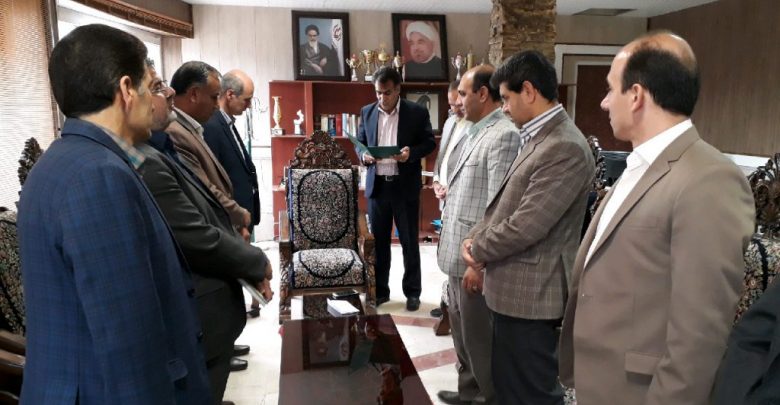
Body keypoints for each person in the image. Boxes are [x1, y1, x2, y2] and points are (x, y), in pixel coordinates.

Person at [17, 24, 211, 404]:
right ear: (126, 89)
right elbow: (129, 343)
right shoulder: (98, 176)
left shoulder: (61, 160)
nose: (158, 98)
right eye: (151, 86)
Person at [558, 31, 755, 404]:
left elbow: (699, 334)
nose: (603, 102)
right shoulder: (640, 166)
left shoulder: (709, 179)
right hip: (601, 380)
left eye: (610, 89)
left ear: (636, 96)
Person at [461, 51, 594, 405]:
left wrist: (477, 248)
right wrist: (474, 235)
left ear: (530, 91)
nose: (504, 108)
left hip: (533, 295)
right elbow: (504, 204)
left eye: (506, 98)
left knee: (531, 394)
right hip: (515, 290)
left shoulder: (565, 145)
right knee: (510, 388)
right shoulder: (538, 136)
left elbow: (526, 225)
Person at [139, 60, 273, 405]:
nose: (168, 92)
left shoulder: (183, 132)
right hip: (200, 299)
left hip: (216, 283)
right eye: (156, 87)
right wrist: (253, 258)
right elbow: (196, 225)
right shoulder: (164, 143)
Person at [436, 65, 521, 405]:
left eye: (463, 94)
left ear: (483, 94)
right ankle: (468, 392)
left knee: (479, 340)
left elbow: (498, 207)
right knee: (462, 335)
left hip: (474, 258)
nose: (457, 101)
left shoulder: (503, 136)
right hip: (457, 251)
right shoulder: (473, 130)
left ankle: (487, 397)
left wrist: (479, 263)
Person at [167, 61, 253, 372]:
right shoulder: (177, 133)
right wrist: (238, 216)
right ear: (194, 94)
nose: (217, 104)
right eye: (214, 96)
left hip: (228, 220)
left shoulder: (198, 126)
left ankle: (227, 344)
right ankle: (223, 347)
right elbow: (207, 187)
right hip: (214, 227)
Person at [356, 66, 436, 311]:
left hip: (405, 187)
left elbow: (429, 143)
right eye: (378, 93)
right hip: (378, 188)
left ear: (398, 89)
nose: (382, 98)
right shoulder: (367, 112)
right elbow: (360, 144)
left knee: (409, 242)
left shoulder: (416, 112)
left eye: (387, 93)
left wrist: (411, 153)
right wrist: (364, 155)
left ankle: (412, 293)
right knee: (379, 243)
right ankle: (381, 291)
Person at [203, 70, 260, 235]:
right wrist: (237, 222)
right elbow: (214, 181)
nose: (249, 105)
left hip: (242, 217)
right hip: (232, 223)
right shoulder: (212, 126)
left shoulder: (227, 123)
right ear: (230, 95)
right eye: (246, 100)